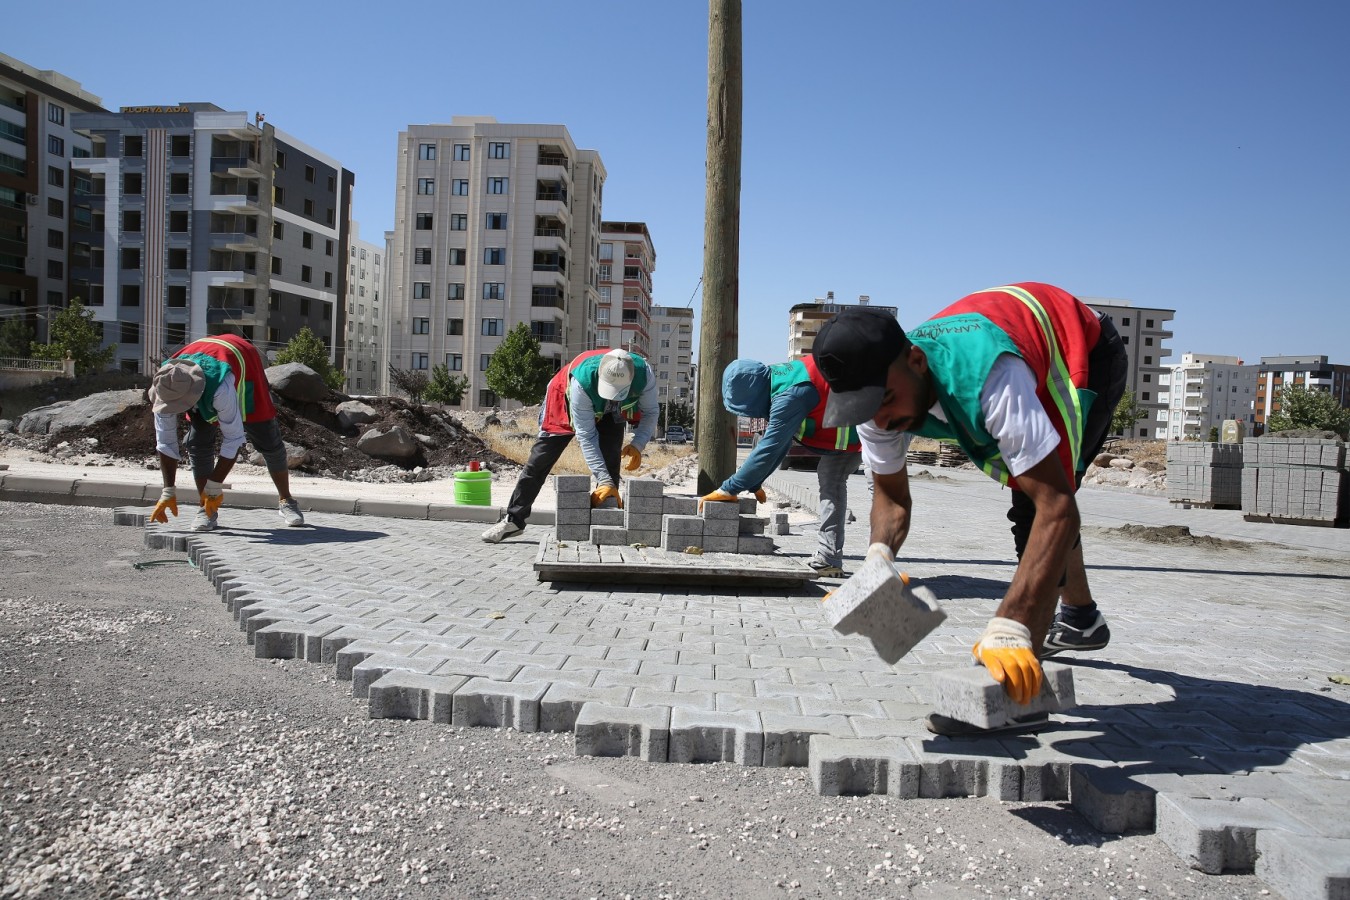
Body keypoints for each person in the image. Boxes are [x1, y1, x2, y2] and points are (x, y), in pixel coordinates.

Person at [812, 282, 1127, 734]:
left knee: (1037, 503)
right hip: (1008, 339)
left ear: (916, 361)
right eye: (864, 408)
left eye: (883, 402)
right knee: (1038, 501)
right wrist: (878, 560)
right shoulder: (880, 394)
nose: (879, 421)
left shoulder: (991, 378)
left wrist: (1011, 623)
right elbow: (892, 496)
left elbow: (1056, 507)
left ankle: (1019, 690)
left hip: (1080, 347)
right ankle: (1080, 618)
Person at [699, 358, 862, 577]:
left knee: (882, 485)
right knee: (830, 475)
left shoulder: (789, 396)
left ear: (752, 396)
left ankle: (881, 565)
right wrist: (754, 481)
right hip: (860, 421)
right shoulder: (781, 380)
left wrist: (728, 489)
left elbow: (771, 447)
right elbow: (780, 445)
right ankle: (829, 559)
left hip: (886, 415)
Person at [482, 348, 659, 543]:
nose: (612, 398)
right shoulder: (580, 383)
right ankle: (514, 520)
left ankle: (606, 525)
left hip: (611, 412)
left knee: (610, 460)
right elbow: (586, 435)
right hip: (565, 399)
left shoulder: (644, 374)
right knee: (540, 461)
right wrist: (603, 478)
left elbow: (651, 412)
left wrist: (638, 444)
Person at [147, 333, 305, 531]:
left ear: (193, 396)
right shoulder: (166, 385)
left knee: (268, 439)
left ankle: (286, 500)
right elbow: (165, 442)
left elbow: (234, 439)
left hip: (243, 363)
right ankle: (206, 509)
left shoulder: (219, 388)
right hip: (207, 366)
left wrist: (214, 486)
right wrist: (167, 491)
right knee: (197, 442)